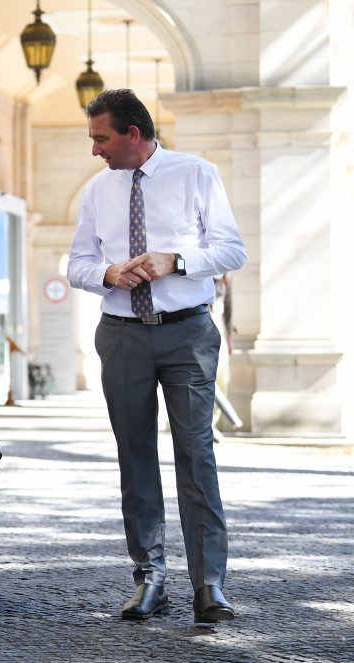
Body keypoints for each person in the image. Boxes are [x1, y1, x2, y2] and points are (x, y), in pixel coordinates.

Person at [67, 89, 246, 623]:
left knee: (196, 455)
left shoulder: (195, 173)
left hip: (187, 333)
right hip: (122, 335)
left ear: (134, 134)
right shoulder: (97, 192)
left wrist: (177, 260)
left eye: (101, 138)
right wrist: (106, 274)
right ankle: (150, 579)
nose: (95, 150)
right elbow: (76, 263)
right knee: (135, 458)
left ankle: (209, 585)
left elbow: (232, 249)